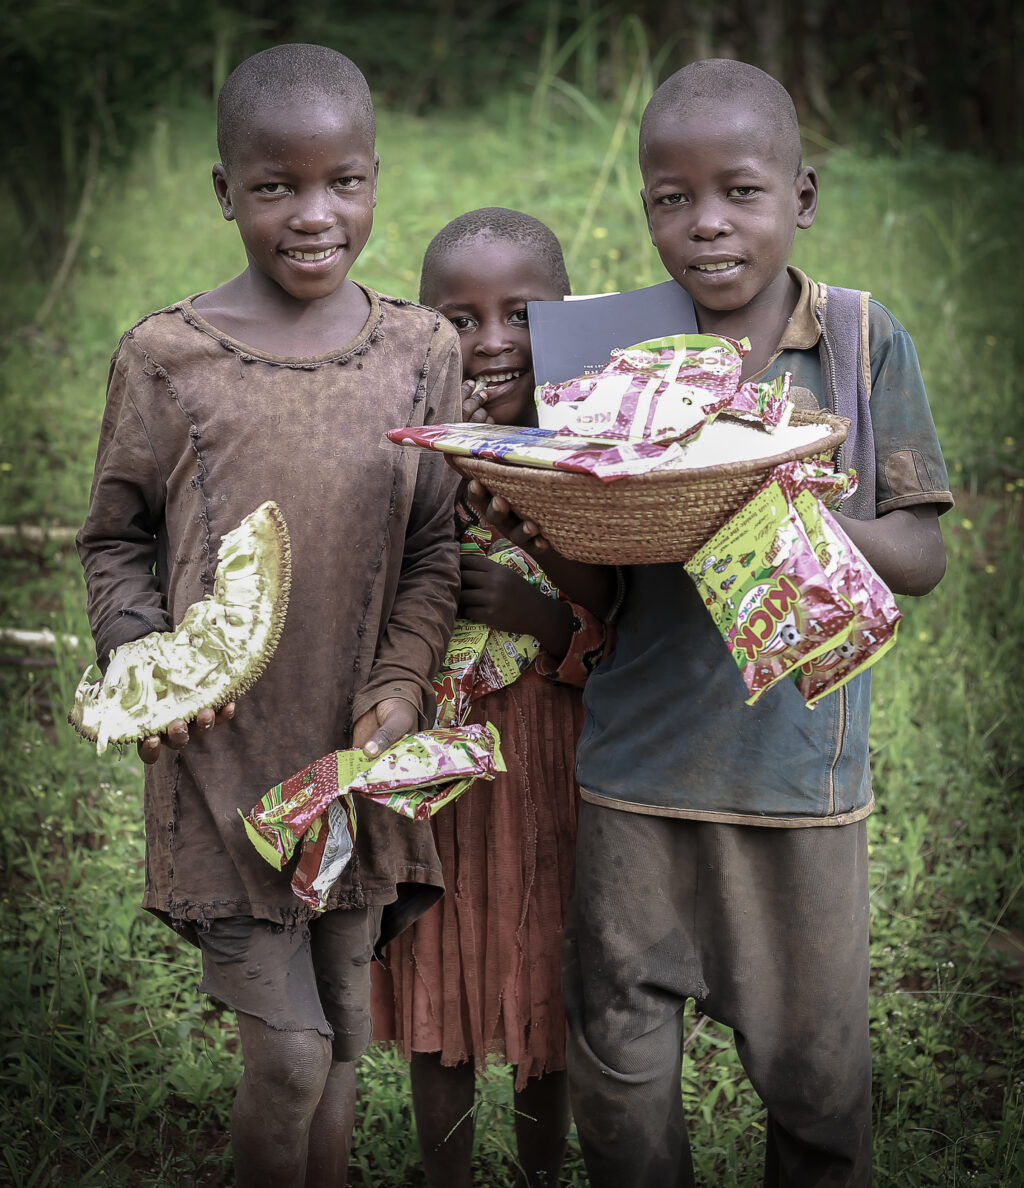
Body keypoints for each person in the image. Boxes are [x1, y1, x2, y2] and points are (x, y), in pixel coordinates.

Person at [471, 61, 952, 1187]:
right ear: (645, 208)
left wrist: (788, 493)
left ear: (803, 195)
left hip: (797, 783)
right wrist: (535, 522)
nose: (708, 226)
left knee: (816, 1075)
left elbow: (920, 557)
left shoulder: (856, 345)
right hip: (635, 765)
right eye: (671, 199)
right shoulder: (606, 349)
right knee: (619, 1055)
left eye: (740, 191)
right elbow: (598, 584)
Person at [75, 44, 463, 1186]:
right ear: (223, 192)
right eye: (275, 187)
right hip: (222, 771)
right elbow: (114, 538)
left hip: (353, 762)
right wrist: (147, 662)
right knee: (289, 1057)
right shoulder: (169, 357)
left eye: (343, 181)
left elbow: (434, 545)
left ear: (377, 177)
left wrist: (401, 684)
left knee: (344, 1033)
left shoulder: (419, 349)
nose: (314, 215)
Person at [370, 208, 614, 1188]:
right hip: (439, 772)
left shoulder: (602, 456)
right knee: (439, 973)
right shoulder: (406, 456)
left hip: (555, 763)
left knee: (542, 981)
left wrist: (538, 612)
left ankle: (541, 1172)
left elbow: (630, 620)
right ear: (422, 330)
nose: (492, 340)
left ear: (569, 319)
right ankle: (448, 1177)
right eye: (459, 318)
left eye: (521, 313)